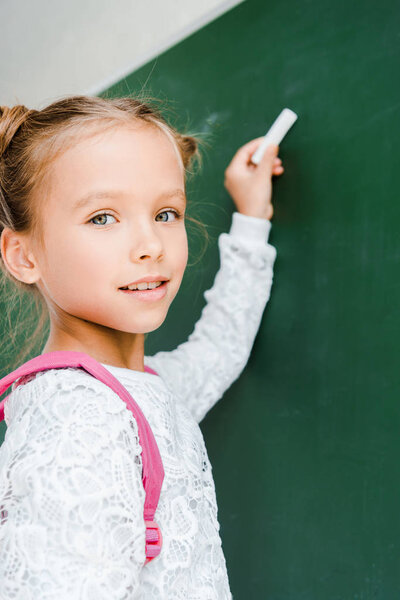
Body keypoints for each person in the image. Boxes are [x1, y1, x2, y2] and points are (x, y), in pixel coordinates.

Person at [0, 94, 283, 599]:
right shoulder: (75, 418)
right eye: (103, 218)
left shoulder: (145, 389)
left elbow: (218, 349)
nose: (150, 243)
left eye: (167, 213)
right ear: (23, 256)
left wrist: (252, 216)